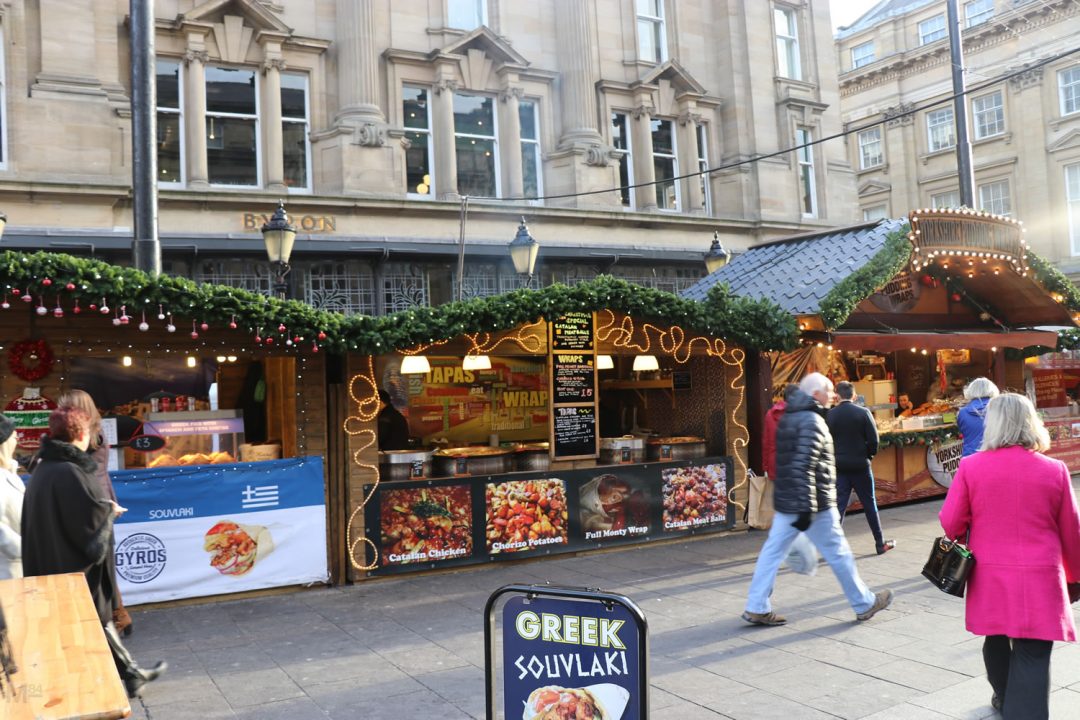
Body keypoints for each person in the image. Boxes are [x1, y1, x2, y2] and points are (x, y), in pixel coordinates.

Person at [939, 393, 1080, 718]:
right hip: (1041, 577)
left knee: (996, 637)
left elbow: (950, 523)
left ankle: (1003, 696)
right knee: (1032, 653)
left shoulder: (971, 467)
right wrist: (1074, 577)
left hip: (990, 575)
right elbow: (1071, 532)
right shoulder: (1055, 470)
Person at [21, 407, 166, 698]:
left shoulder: (47, 466)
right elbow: (88, 522)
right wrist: (109, 512)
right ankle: (120, 677)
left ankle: (130, 673)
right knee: (93, 619)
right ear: (81, 433)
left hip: (52, 559)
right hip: (70, 565)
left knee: (94, 622)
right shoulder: (68, 470)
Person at [742, 373, 894, 626]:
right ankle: (863, 603)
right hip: (814, 504)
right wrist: (806, 510)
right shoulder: (812, 420)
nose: (834, 395)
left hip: (790, 499)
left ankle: (756, 605)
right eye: (829, 390)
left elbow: (787, 461)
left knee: (772, 551)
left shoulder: (789, 416)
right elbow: (804, 465)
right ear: (816, 394)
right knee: (839, 553)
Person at [58, 390, 133, 636]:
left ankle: (114, 616)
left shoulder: (88, 437)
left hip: (94, 502)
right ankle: (118, 614)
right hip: (102, 499)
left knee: (101, 563)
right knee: (105, 561)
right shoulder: (97, 432)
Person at [826, 381, 895, 555]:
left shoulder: (831, 415)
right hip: (861, 466)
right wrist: (867, 456)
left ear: (837, 395)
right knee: (869, 504)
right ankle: (880, 543)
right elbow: (874, 441)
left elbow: (826, 442)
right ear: (854, 395)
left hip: (840, 466)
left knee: (839, 506)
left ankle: (833, 547)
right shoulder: (863, 413)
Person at [0, 415, 23, 580]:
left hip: (17, 568)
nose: (17, 441)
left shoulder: (11, 473)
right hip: (7, 571)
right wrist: (23, 548)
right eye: (14, 437)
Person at [957, 377, 999, 457]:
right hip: (995, 456)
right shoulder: (999, 409)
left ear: (970, 391)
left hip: (970, 457)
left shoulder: (963, 412)